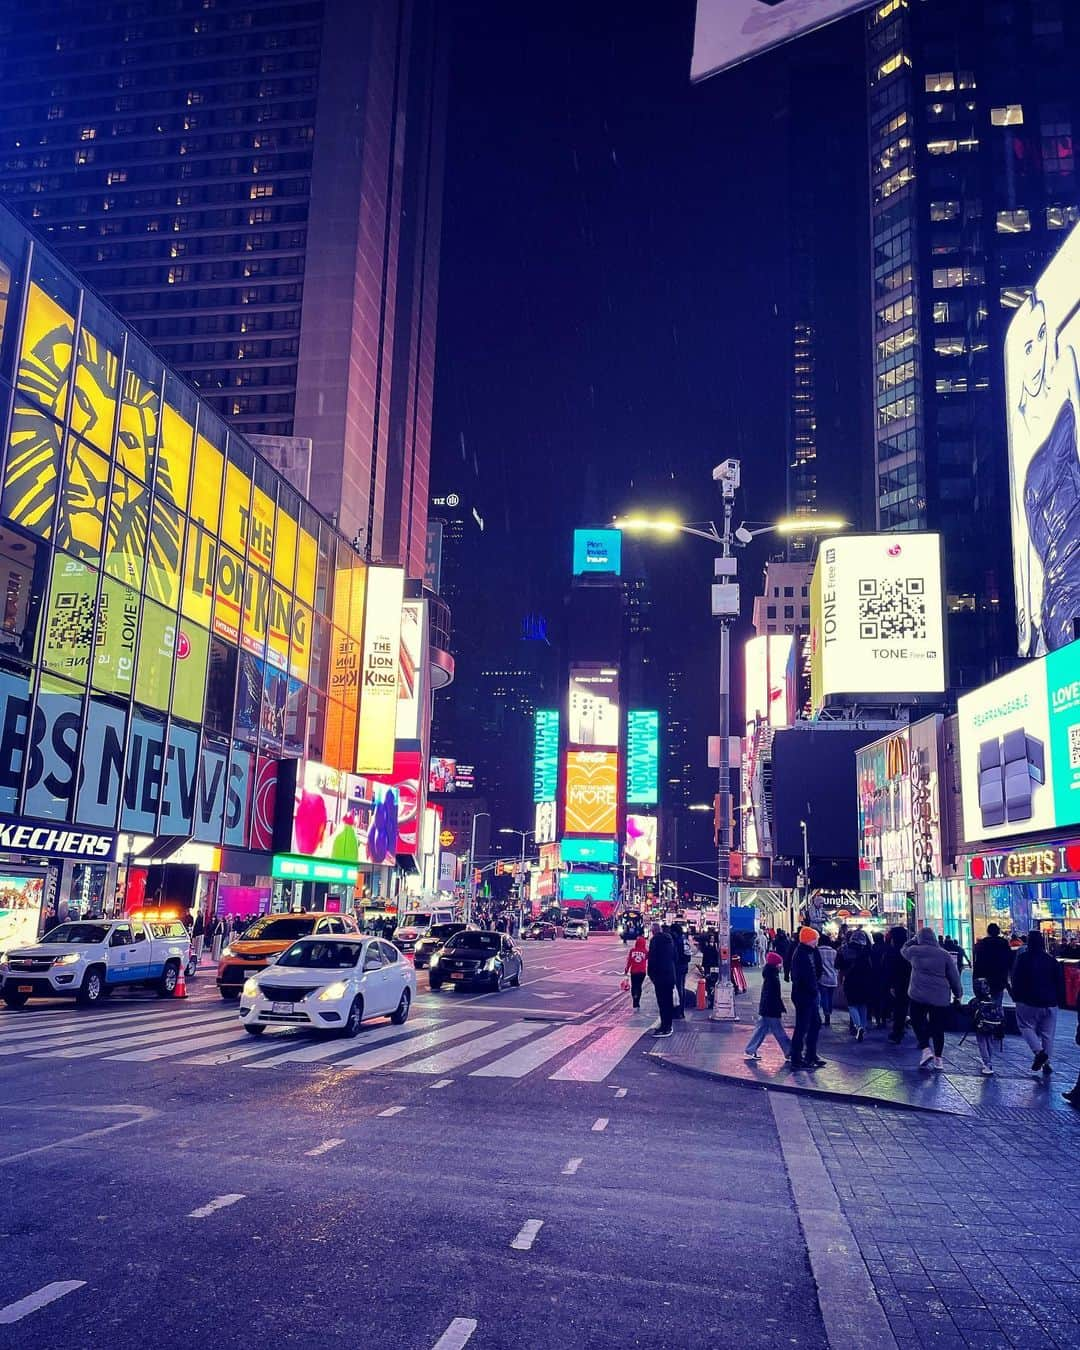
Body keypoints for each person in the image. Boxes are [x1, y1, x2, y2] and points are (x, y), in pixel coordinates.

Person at [902, 928, 962, 1070]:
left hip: (918, 994)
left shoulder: (914, 951)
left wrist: (913, 940)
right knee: (938, 1027)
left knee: (916, 1020)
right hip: (940, 996)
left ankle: (925, 1048)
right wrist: (958, 994)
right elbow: (954, 977)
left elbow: (903, 949)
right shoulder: (944, 954)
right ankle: (938, 1060)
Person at [1011, 929, 1066, 1076]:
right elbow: (1060, 982)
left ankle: (1039, 1053)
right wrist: (1060, 1000)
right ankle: (1047, 1062)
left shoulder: (1023, 959)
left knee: (1025, 1026)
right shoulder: (1051, 960)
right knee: (1048, 1034)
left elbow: (1016, 978)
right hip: (1050, 1002)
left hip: (1028, 1001)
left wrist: (1016, 996)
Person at [744, 952, 792, 1060]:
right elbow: (772, 995)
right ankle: (789, 1051)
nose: (781, 965)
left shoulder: (770, 974)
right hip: (771, 1008)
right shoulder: (772, 977)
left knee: (761, 1029)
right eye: (779, 963)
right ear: (775, 964)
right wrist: (778, 1008)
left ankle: (750, 1050)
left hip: (767, 1007)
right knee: (778, 1030)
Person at [789, 927, 825, 1069]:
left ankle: (810, 1055)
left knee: (815, 1023)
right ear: (809, 939)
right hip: (804, 995)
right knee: (803, 1026)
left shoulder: (811, 952)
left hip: (810, 993)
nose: (817, 941)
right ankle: (797, 1057)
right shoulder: (801, 954)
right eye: (815, 939)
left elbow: (817, 969)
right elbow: (803, 976)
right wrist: (812, 988)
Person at [838, 930, 874, 1041]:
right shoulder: (867, 950)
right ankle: (863, 1026)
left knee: (852, 1004)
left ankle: (858, 1027)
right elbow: (871, 966)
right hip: (865, 981)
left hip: (850, 980)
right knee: (863, 1005)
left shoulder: (844, 949)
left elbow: (838, 965)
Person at [968, 977, 1005, 1076]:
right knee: (990, 1041)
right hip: (993, 1025)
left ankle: (987, 1063)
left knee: (982, 1043)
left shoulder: (975, 1001)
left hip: (981, 1025)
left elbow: (968, 1012)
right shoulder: (993, 1000)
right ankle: (989, 1060)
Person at [882, 925, 912, 1043]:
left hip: (898, 984)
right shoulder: (910, 951)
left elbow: (889, 970)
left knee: (900, 1007)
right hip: (912, 982)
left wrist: (889, 985)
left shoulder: (892, 952)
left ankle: (898, 1031)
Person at [647, 922, 677, 1038]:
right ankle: (667, 1025)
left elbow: (652, 959)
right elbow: (676, 957)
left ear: (653, 931)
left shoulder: (655, 941)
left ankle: (665, 1027)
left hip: (660, 976)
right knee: (668, 1002)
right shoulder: (670, 940)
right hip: (670, 975)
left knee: (662, 1002)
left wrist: (651, 975)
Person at [972, 922, 1013, 1009]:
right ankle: (997, 1018)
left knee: (984, 1003)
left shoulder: (982, 944)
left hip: (984, 978)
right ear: (998, 932)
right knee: (997, 1002)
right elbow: (1009, 961)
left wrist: (975, 979)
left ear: (988, 931)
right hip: (999, 978)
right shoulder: (1004, 943)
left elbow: (978, 962)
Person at [670, 921, 691, 1020]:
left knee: (677, 989)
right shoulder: (685, 940)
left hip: (677, 968)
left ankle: (677, 1011)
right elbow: (688, 955)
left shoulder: (676, 941)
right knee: (681, 988)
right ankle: (681, 1011)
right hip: (684, 967)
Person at [817, 935, 838, 1026]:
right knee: (830, 997)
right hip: (833, 978)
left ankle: (826, 1014)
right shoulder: (834, 952)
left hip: (823, 978)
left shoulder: (818, 951)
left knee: (824, 997)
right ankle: (829, 1012)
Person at [870, 931, 888, 1027]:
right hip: (884, 976)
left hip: (874, 976)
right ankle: (883, 1019)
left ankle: (877, 1019)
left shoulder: (872, 949)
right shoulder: (887, 948)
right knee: (884, 998)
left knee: (876, 999)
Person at [624, 935, 648, 1010]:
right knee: (639, 986)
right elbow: (648, 959)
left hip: (634, 971)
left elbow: (629, 961)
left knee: (634, 985)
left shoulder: (632, 950)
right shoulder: (645, 951)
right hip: (642, 972)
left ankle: (634, 999)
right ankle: (637, 1001)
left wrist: (626, 969)